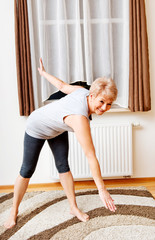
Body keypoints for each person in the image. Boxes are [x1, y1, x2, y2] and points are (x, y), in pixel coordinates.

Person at [4, 58, 118, 229]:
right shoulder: (79, 118)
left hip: (57, 127)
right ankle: (13, 210)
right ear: (92, 95)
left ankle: (73, 207)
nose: (104, 108)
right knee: (27, 170)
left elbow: (63, 86)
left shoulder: (83, 92)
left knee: (63, 166)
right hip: (37, 126)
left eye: (109, 104)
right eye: (101, 102)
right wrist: (102, 189)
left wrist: (44, 73)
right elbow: (90, 156)